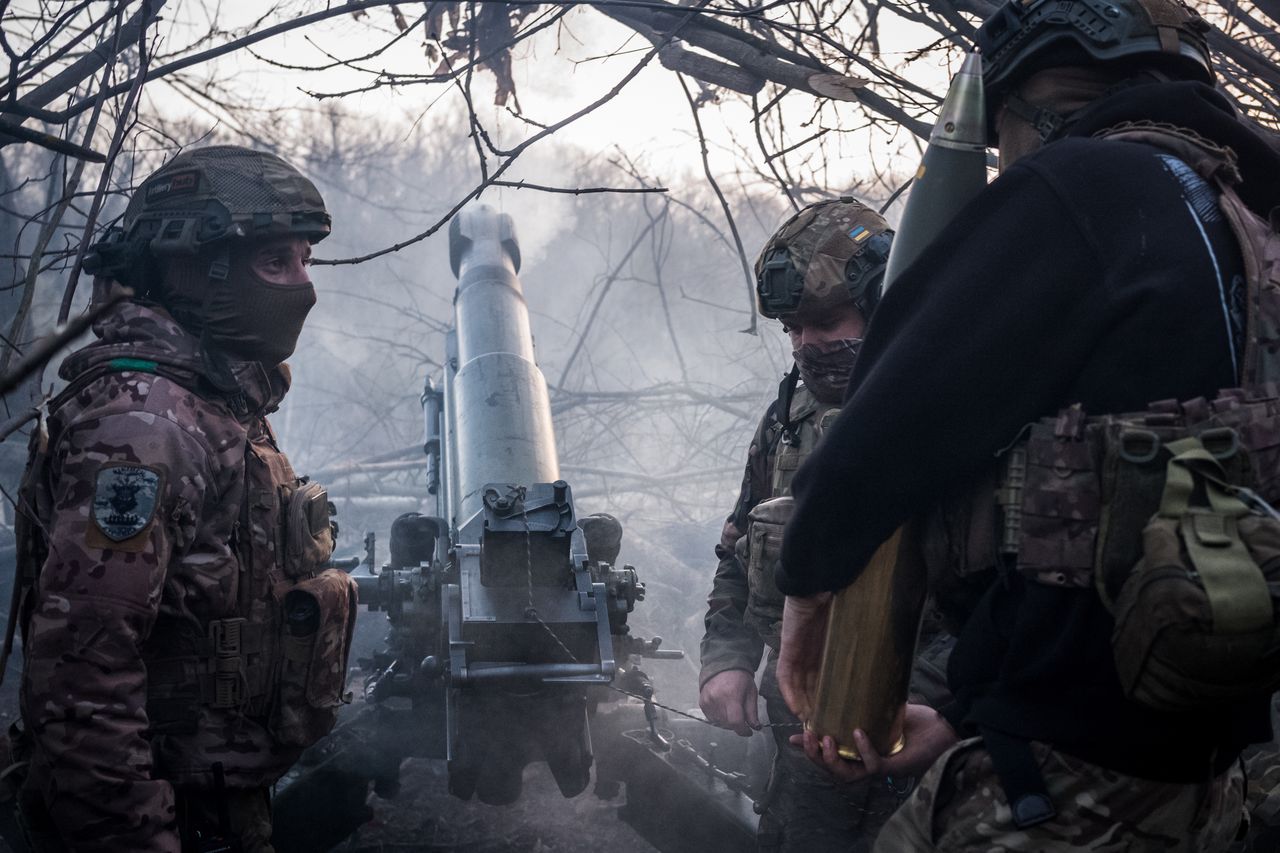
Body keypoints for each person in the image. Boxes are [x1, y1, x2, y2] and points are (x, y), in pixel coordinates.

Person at [773, 0, 1280, 848]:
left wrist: (808, 582)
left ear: (1034, 105)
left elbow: (889, 420)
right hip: (1215, 778)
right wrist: (974, 710)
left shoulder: (1086, 188)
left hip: (1061, 781)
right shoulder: (1250, 230)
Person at [8, 145, 358, 852]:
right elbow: (84, 681)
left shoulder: (213, 400)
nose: (303, 286)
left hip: (216, 805)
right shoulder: (141, 425)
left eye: (304, 261)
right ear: (193, 266)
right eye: (274, 263)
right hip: (159, 814)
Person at [699, 197, 952, 852]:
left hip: (924, 755)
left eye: (824, 322)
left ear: (881, 301)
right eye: (791, 330)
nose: (805, 345)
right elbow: (737, 549)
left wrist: (943, 710)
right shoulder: (789, 419)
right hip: (800, 763)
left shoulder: (960, 413)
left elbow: (1003, 601)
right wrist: (725, 662)